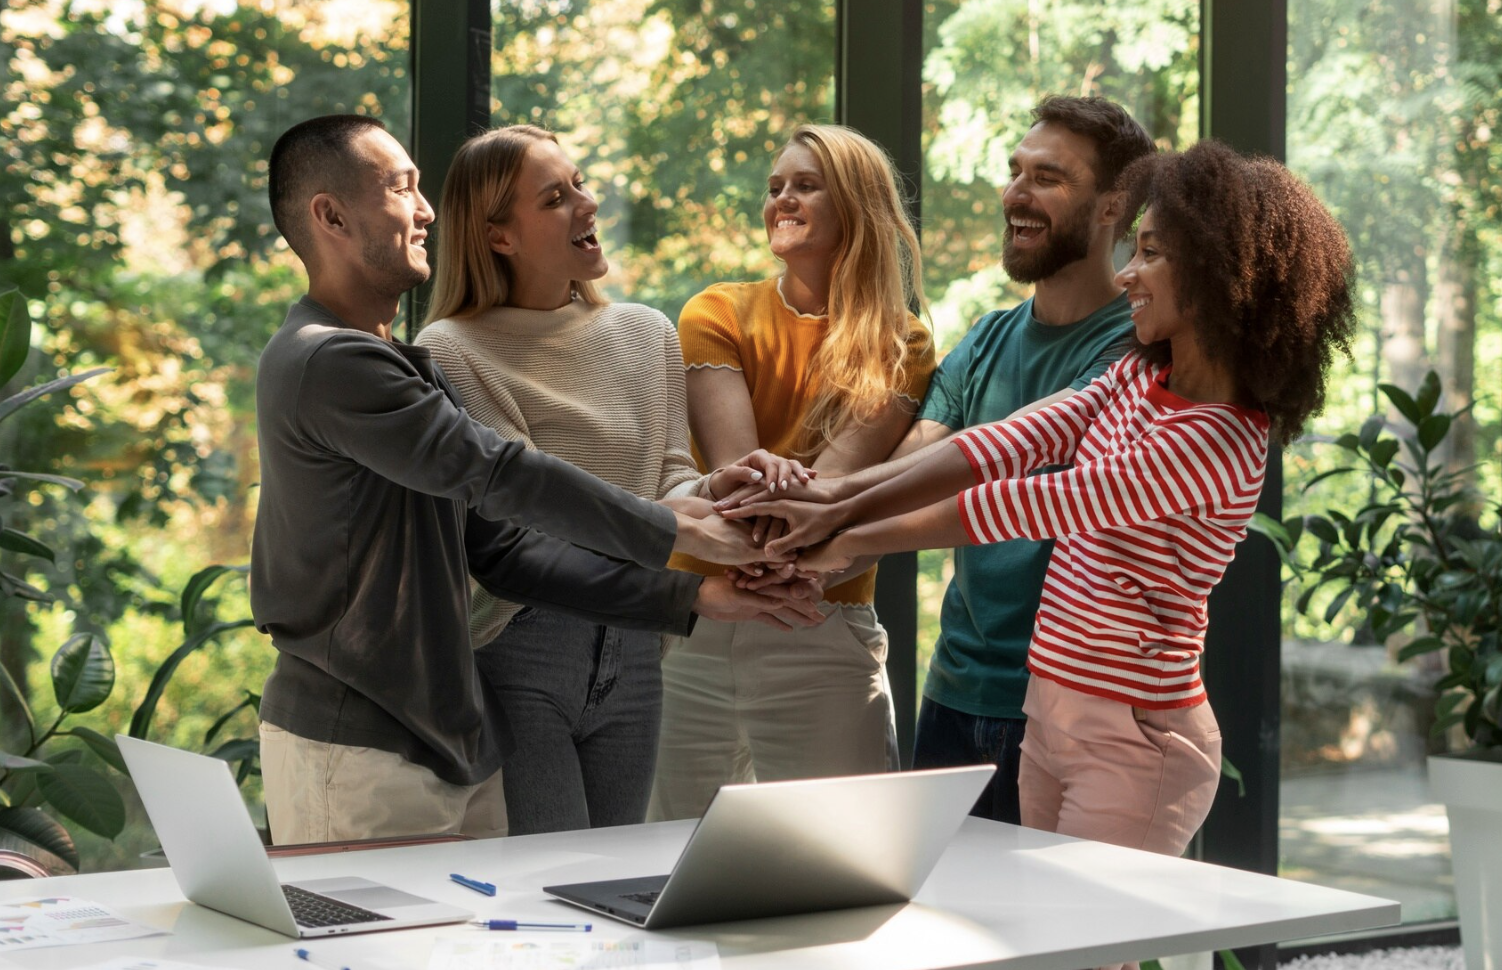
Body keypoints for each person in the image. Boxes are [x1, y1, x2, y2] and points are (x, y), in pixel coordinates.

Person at [738, 140, 1355, 913]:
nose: (1127, 271)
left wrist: (851, 535)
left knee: (1079, 951)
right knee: (1023, 943)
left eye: (1152, 253)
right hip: (1051, 711)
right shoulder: (1138, 374)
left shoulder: (1223, 435)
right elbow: (1014, 440)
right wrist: (841, 500)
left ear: (1220, 273)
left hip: (1134, 743)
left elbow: (1045, 500)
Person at [252, 115, 820, 846]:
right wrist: (675, 528)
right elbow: (497, 472)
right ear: (329, 215)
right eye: (400, 190)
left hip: (453, 741)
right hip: (356, 743)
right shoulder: (326, 361)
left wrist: (697, 593)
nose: (426, 211)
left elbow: (504, 552)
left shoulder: (405, 365)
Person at [719, 96, 1154, 824]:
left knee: (1069, 930)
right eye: (1015, 172)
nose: (1015, 193)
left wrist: (840, 530)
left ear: (1114, 204)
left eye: (1047, 178)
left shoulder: (1133, 352)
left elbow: (996, 491)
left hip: (1070, 705)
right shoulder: (986, 340)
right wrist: (806, 529)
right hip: (956, 694)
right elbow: (918, 461)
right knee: (944, 932)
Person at [414, 126, 808, 835]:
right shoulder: (449, 350)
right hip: (521, 645)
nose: (585, 204)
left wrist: (722, 487)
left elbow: (668, 474)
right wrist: (685, 537)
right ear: (500, 236)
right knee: (549, 885)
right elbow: (527, 523)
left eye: (581, 182)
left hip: (637, 647)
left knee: (616, 873)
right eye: (555, 197)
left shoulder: (646, 332)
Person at [646, 123, 937, 822]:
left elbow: (831, 497)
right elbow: (740, 485)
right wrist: (773, 515)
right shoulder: (715, 311)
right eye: (776, 187)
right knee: (661, 858)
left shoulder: (904, 340)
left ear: (857, 207)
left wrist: (790, 542)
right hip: (700, 628)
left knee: (841, 861)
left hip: (822, 620)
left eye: (805, 185)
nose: (782, 199)